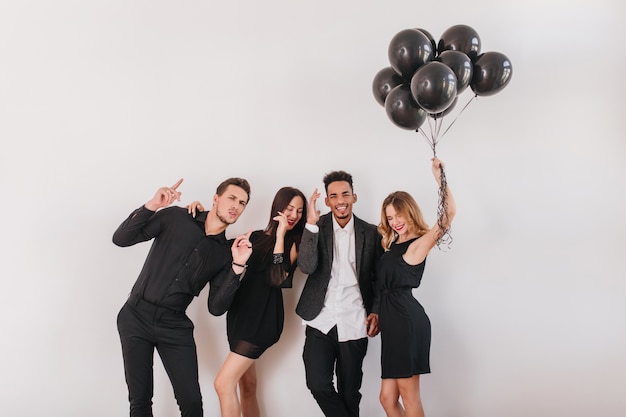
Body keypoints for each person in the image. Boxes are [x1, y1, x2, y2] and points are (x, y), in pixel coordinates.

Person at [112, 177, 252, 417]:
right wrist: (153, 205)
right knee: (140, 401)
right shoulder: (176, 217)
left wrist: (237, 266)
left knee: (192, 403)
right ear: (216, 198)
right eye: (231, 198)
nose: (236, 206)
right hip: (135, 316)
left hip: (174, 326)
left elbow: (216, 308)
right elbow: (121, 239)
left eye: (242, 203)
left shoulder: (225, 253)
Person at [188, 186, 308, 417]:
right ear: (278, 207)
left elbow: (276, 278)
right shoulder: (254, 237)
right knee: (248, 387)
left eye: (299, 211)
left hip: (262, 322)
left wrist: (281, 235)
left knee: (223, 384)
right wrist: (199, 213)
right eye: (290, 208)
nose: (293, 215)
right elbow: (218, 244)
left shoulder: (294, 244)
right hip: (239, 318)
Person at [296, 170, 383, 417]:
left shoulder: (371, 233)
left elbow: (379, 279)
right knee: (318, 383)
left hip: (355, 320)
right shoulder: (316, 227)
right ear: (327, 201)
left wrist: (376, 310)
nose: (340, 200)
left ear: (354, 197)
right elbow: (306, 266)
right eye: (333, 196)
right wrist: (311, 225)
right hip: (320, 318)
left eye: (345, 194)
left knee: (349, 392)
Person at [376, 158, 456, 417]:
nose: (395, 221)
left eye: (399, 215)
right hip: (392, 324)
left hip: (405, 323)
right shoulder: (392, 245)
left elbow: (449, 215)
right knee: (387, 398)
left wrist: (439, 178)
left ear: (409, 212)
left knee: (410, 399)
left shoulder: (418, 245)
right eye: (390, 218)